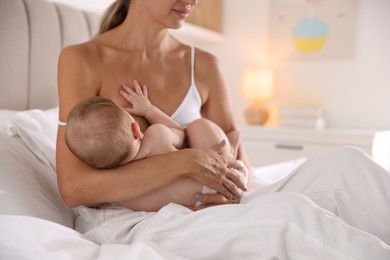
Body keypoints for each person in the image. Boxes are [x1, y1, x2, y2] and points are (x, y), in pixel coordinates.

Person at [57, 0, 390, 246]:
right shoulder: (82, 60)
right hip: (141, 218)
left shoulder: (203, 64)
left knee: (347, 164)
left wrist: (231, 183)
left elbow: (239, 162)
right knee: (290, 216)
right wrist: (186, 162)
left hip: (216, 201)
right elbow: (74, 187)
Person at [63, 81, 246, 211]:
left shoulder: (123, 194)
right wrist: (149, 110)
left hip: (199, 203)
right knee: (198, 126)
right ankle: (228, 152)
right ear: (136, 128)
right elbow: (180, 132)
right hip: (224, 177)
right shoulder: (156, 135)